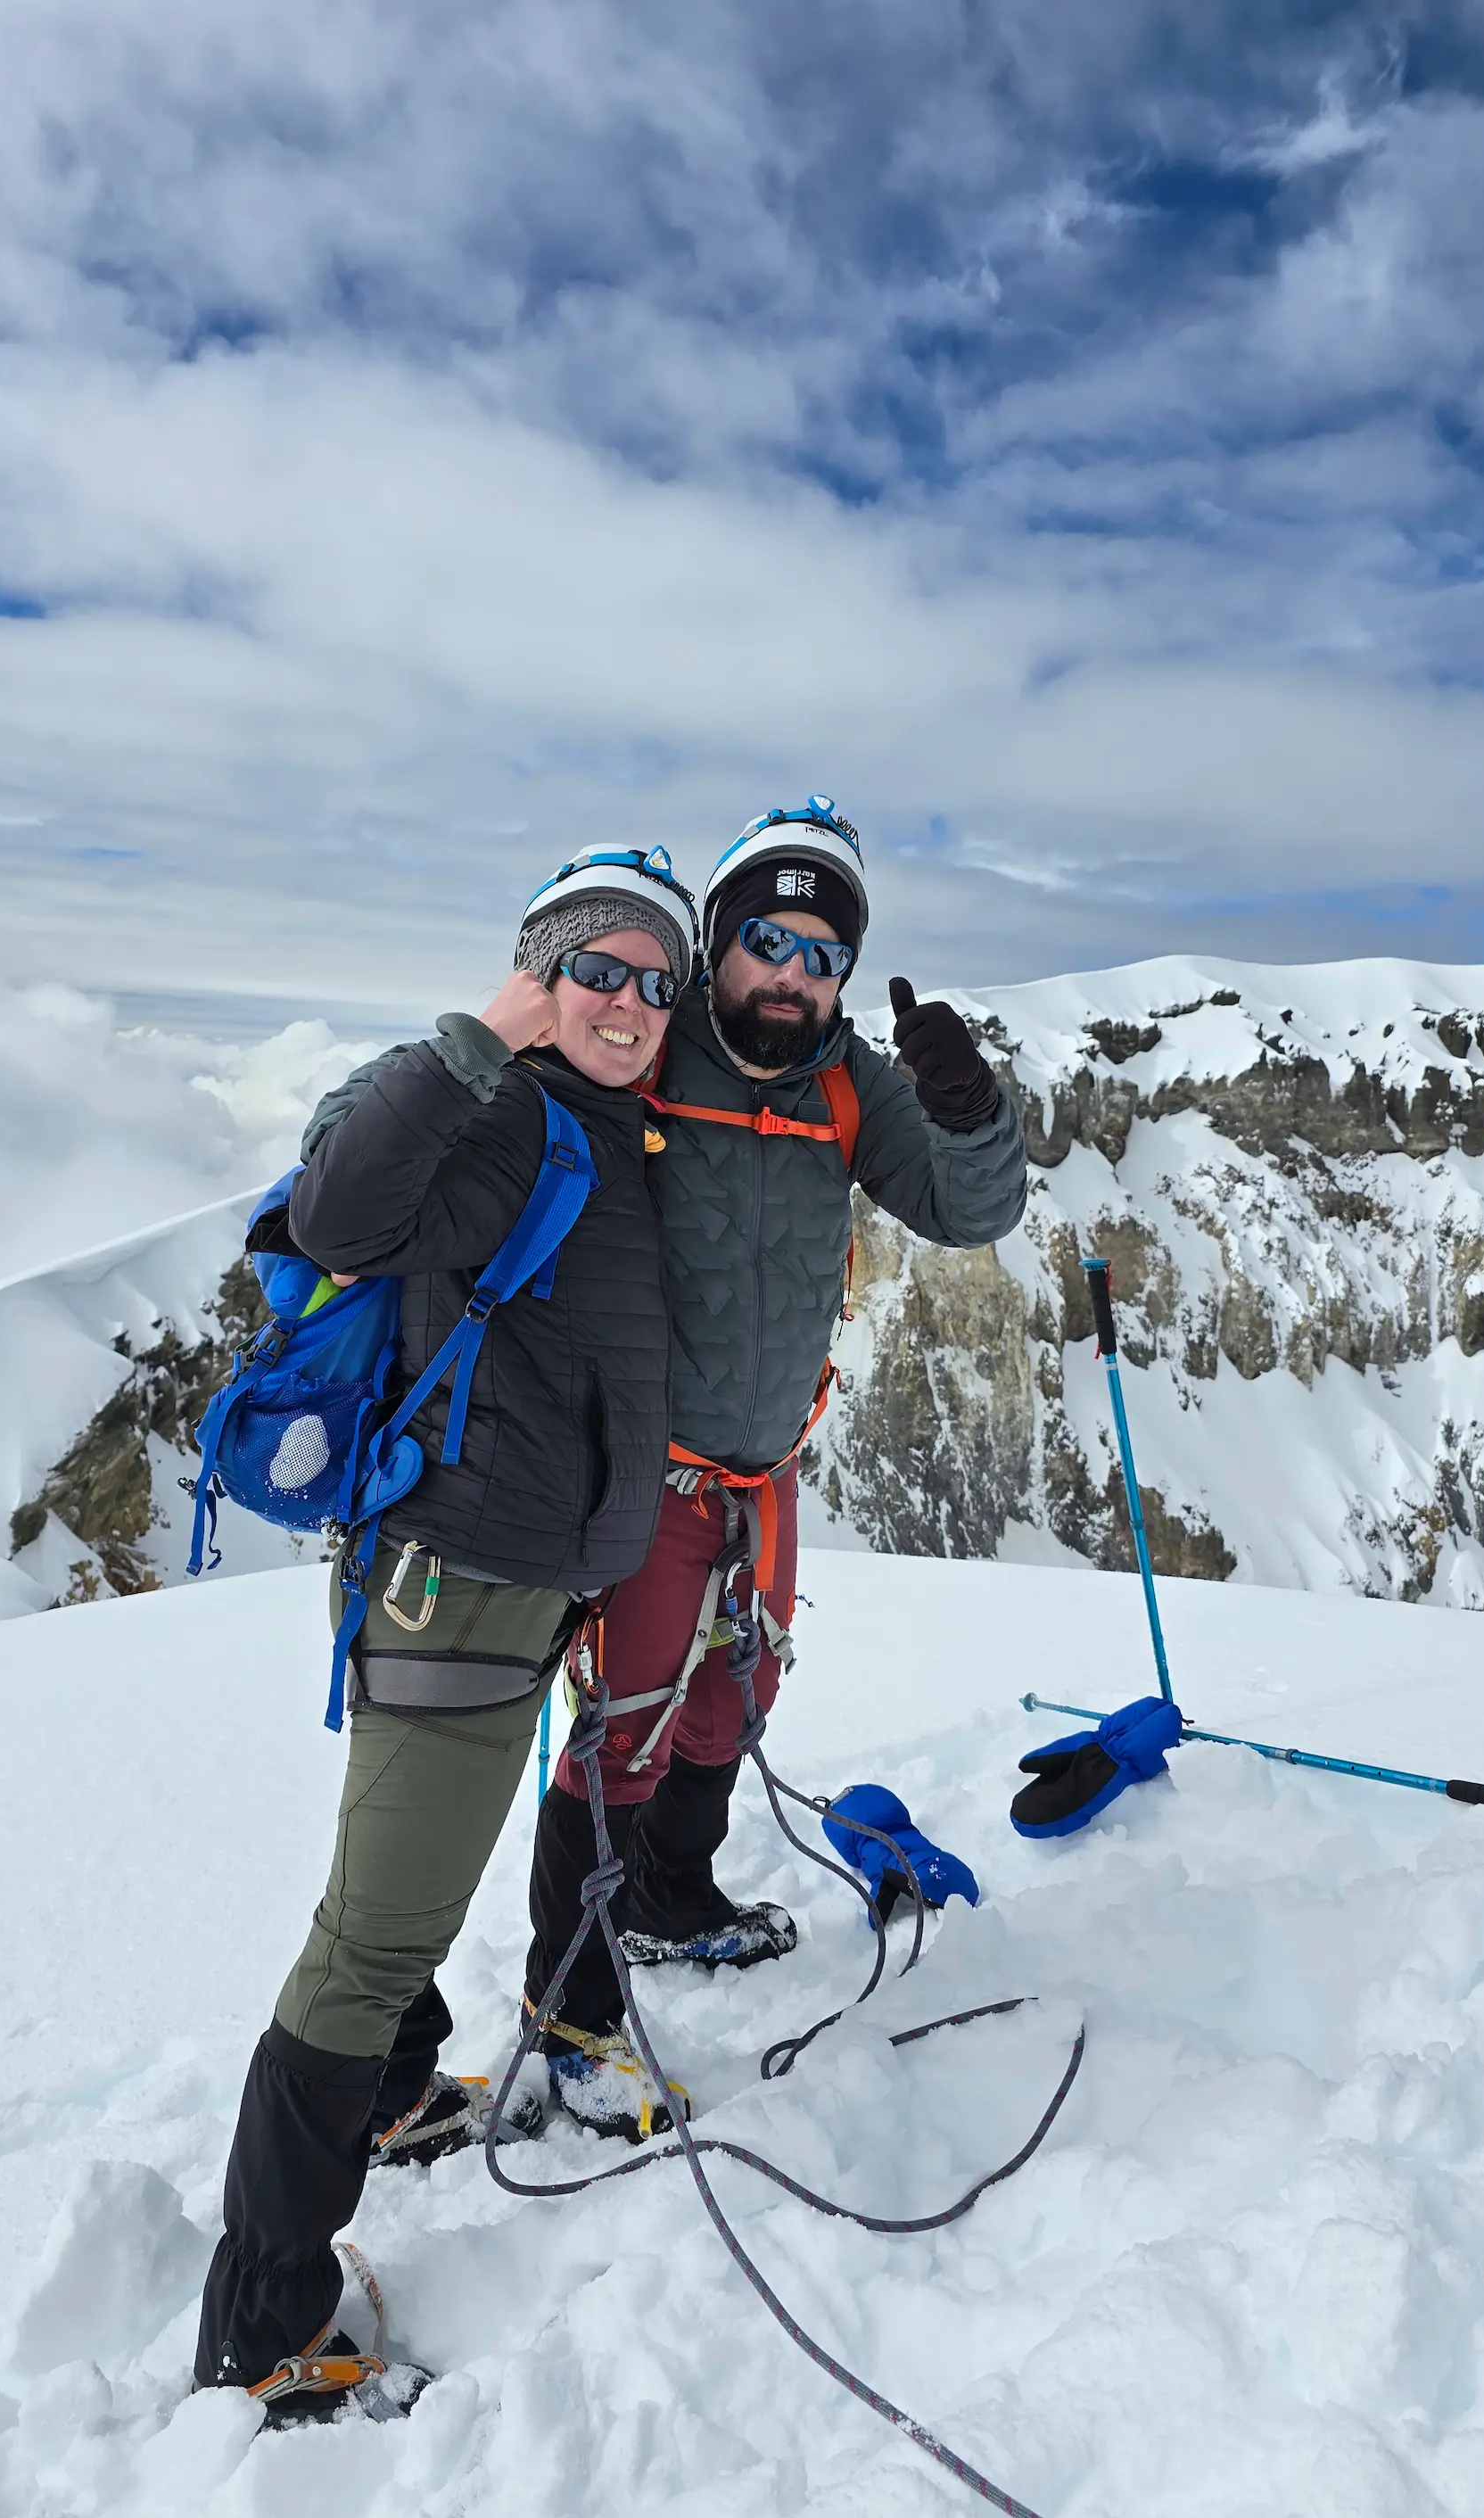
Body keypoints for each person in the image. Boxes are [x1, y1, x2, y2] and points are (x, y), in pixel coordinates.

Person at [193, 846, 696, 2423]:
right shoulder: (498, 1114)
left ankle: (400, 2103)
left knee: (410, 1889)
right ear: (544, 973)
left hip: (534, 1576)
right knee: (373, 1943)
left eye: (652, 980)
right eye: (596, 969)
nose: (628, 1002)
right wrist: (479, 1037)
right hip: (458, 1578)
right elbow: (342, 1206)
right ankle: (262, 2321)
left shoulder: (615, 1132)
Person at [520, 797, 1028, 2137]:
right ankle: (569, 2016)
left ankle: (670, 1901)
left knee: (736, 1698)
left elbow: (970, 1210)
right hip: (648, 1475)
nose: (792, 977)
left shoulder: (849, 1088)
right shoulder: (649, 1054)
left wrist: (970, 1107)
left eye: (821, 956)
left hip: (766, 1471)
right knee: (617, 1737)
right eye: (767, 942)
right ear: (720, 946)